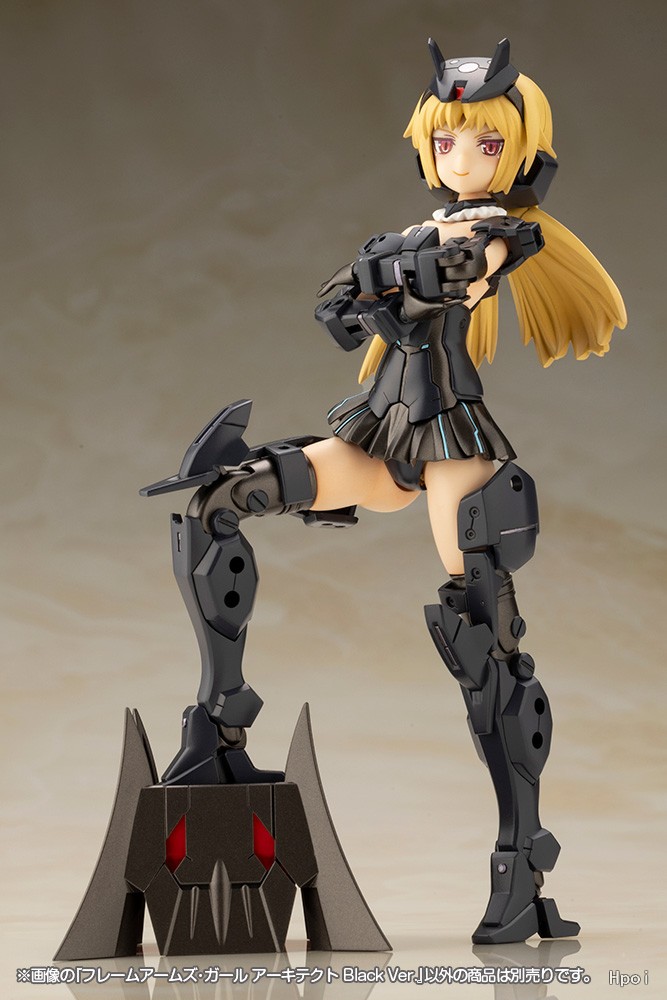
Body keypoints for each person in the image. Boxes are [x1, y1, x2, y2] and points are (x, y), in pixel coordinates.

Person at [151, 38, 626, 944]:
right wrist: (384, 273)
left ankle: (521, 859)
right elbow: (337, 309)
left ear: (522, 152)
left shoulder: (501, 232)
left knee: (479, 624)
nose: (462, 158)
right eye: (447, 141)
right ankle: (218, 725)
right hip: (379, 427)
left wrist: (396, 273)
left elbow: (455, 280)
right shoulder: (417, 231)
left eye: (486, 143)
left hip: (451, 439)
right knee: (222, 500)